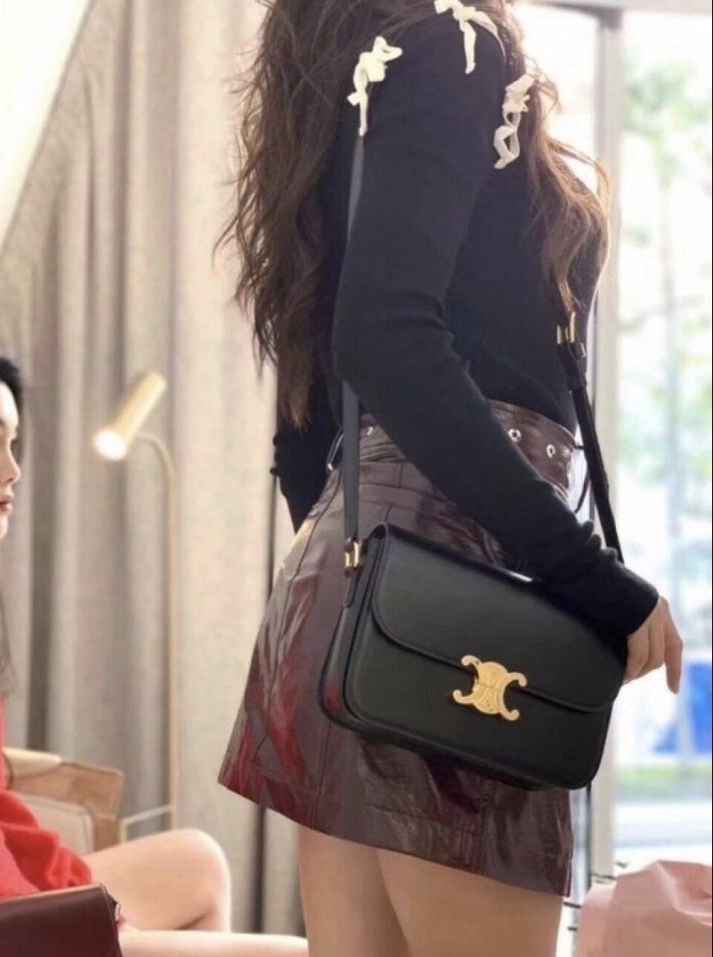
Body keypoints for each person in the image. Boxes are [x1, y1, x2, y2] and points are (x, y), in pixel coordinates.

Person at [217, 2, 685, 956]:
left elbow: (310, 414)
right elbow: (387, 341)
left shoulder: (356, 81)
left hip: (359, 584)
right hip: (452, 584)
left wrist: (365, 579)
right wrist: (587, 576)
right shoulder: (459, 47)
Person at [0, 320, 307, 957]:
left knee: (198, 862)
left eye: (14, 443)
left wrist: (63, 888)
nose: (12, 470)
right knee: (294, 955)